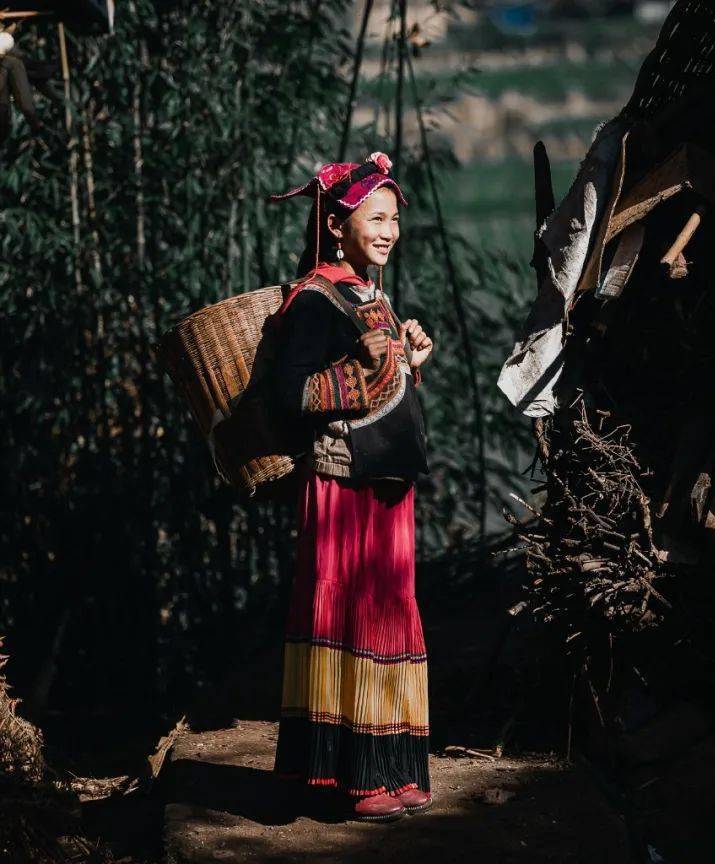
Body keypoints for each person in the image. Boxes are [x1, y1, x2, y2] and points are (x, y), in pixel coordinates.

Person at [267, 153, 434, 823]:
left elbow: (384, 387)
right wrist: (357, 372)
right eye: (376, 217)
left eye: (396, 218)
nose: (390, 230)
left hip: (388, 482)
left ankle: (392, 766)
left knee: (390, 604)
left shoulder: (374, 294)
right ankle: (349, 776)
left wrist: (410, 361)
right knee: (349, 607)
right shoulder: (314, 297)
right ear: (338, 226)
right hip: (342, 487)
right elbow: (292, 391)